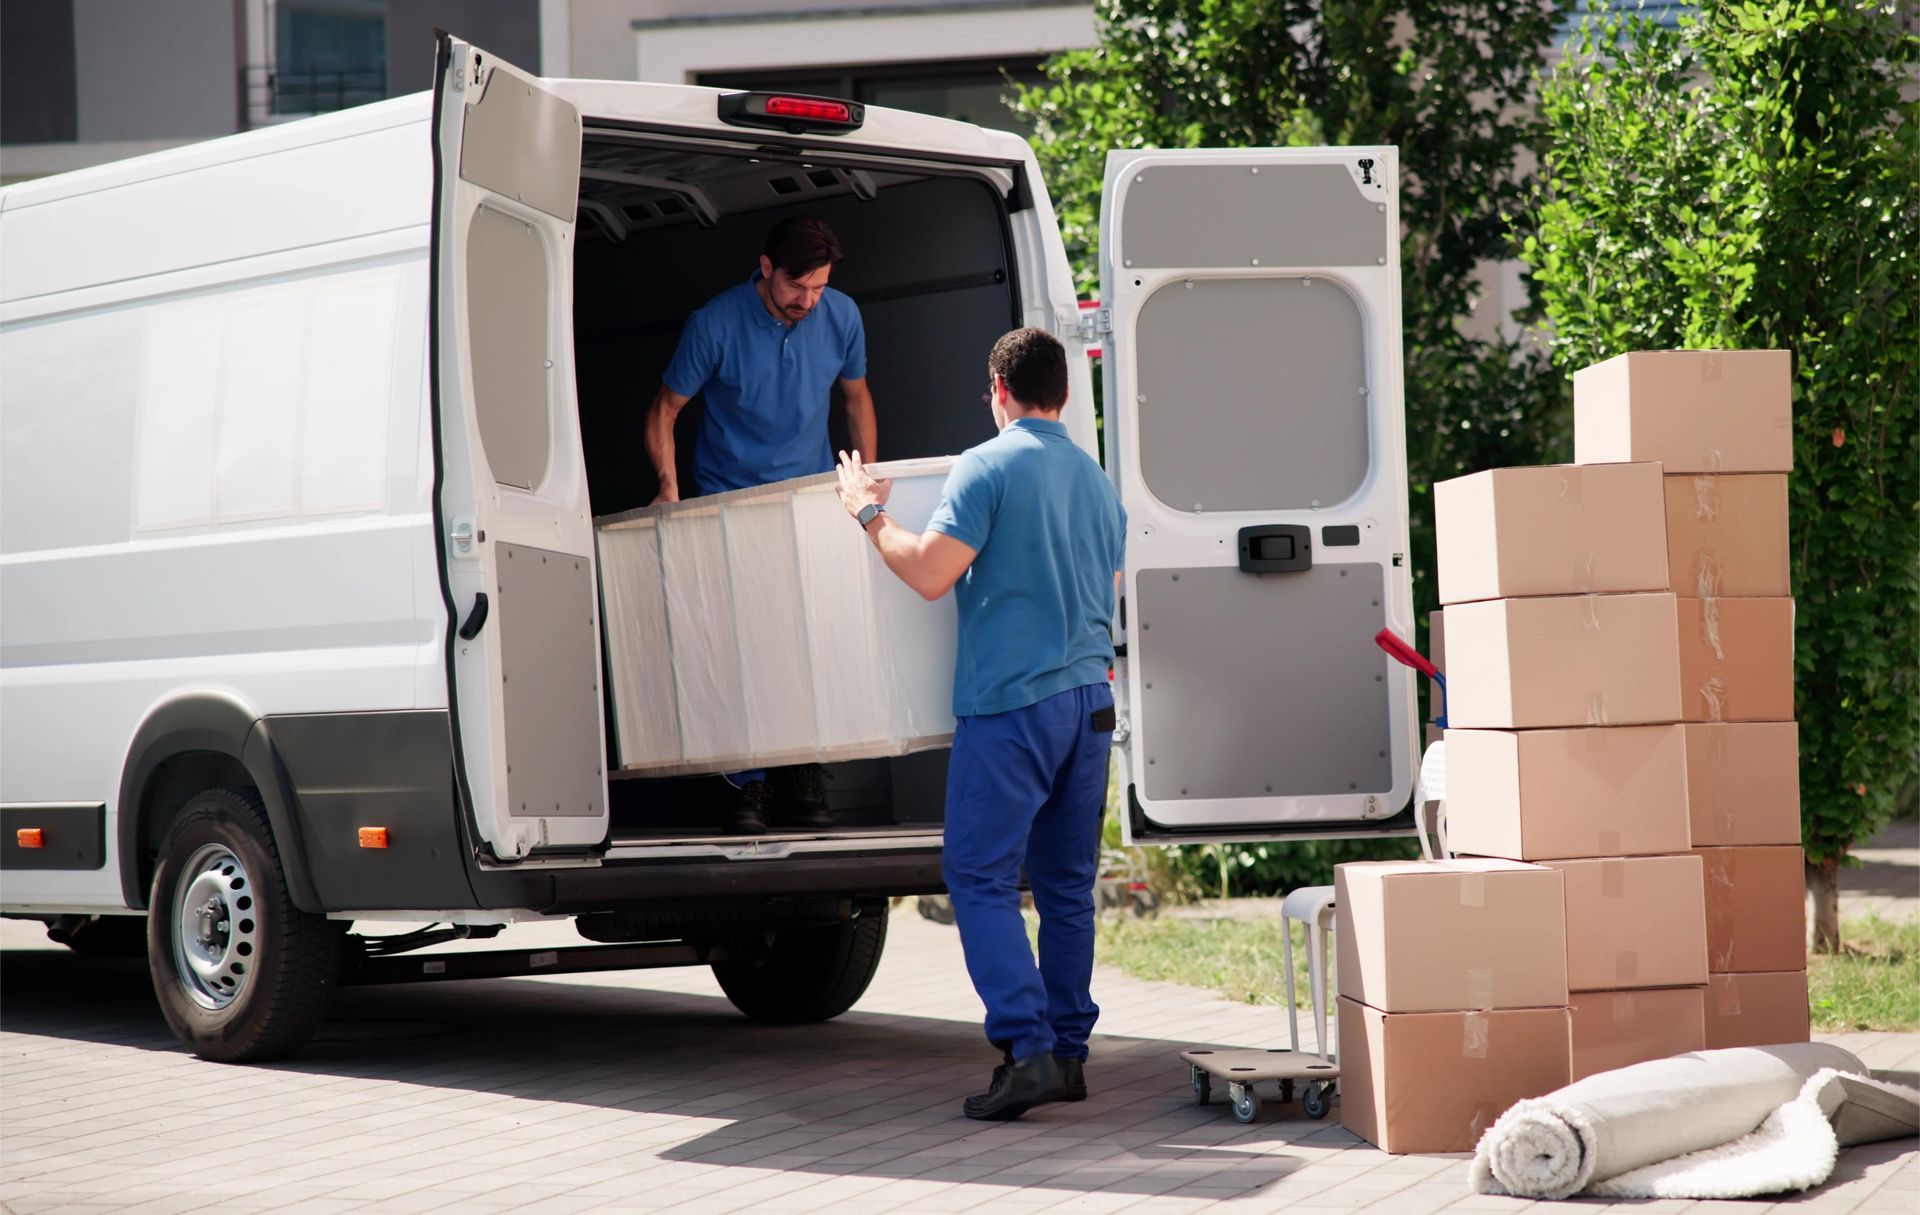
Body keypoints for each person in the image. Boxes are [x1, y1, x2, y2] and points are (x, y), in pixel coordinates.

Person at [834, 327, 1126, 1121]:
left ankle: (1025, 1049)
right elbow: (1108, 585)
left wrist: (867, 513)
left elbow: (929, 572)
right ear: (1060, 393)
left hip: (1015, 706)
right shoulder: (1099, 484)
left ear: (998, 391)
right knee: (1067, 888)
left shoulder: (986, 465)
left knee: (978, 875)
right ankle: (1067, 1055)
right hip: (1089, 704)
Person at [646, 216, 877, 834]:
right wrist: (668, 488)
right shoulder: (714, 323)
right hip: (730, 504)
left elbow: (856, 398)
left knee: (807, 646)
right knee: (742, 649)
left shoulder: (842, 316)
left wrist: (865, 483)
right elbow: (665, 411)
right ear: (766, 268)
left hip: (810, 500)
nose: (807, 301)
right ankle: (743, 786)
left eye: (819, 289)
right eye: (797, 287)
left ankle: (801, 771)